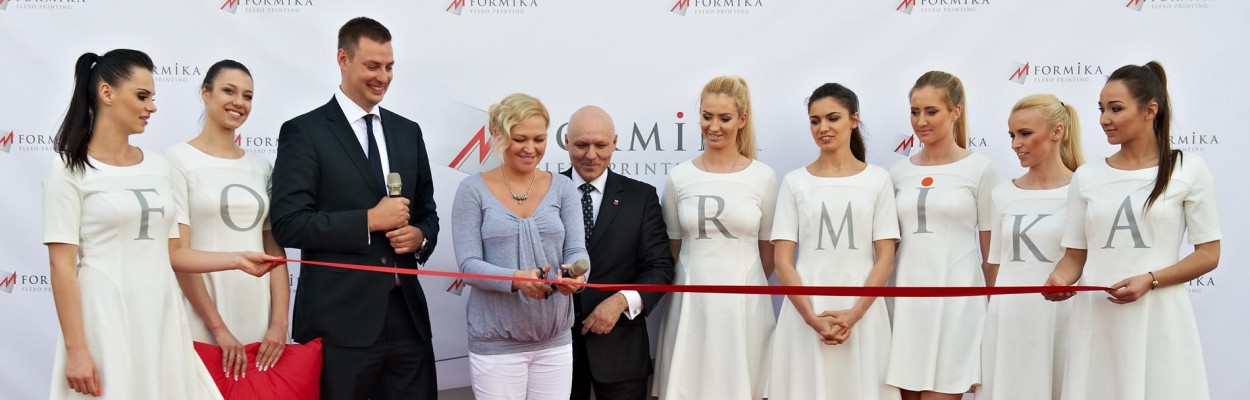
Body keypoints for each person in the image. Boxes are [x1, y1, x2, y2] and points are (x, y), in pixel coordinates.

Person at [44, 49, 273, 400]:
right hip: (104, 314)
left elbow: (174, 254)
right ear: (106, 93)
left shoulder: (156, 165)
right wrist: (77, 350)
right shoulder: (67, 171)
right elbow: (61, 266)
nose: (151, 107)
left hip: (163, 314)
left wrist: (237, 259)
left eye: (152, 98)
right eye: (142, 96)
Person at [269, 17, 440, 399]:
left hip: (408, 322)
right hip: (338, 327)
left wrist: (419, 237)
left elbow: (428, 214)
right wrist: (369, 221)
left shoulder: (408, 131)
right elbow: (289, 224)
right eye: (373, 66)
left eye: (389, 66)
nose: (383, 77)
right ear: (343, 59)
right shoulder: (305, 132)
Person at [1044, 61, 1221, 399]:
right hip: (1097, 321)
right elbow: (1074, 257)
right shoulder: (1087, 176)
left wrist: (1150, 279)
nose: (1104, 119)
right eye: (1101, 109)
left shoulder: (1189, 169)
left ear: (1150, 110)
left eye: (1116, 108)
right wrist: (1059, 280)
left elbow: (1209, 254)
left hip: (1159, 318)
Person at [451, 93, 589, 399]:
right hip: (496, 342)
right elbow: (468, 265)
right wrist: (517, 279)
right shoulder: (472, 190)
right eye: (520, 139)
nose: (531, 148)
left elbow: (577, 251)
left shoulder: (564, 187)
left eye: (539, 139)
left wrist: (577, 277)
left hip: (555, 340)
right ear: (498, 135)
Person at [768, 83, 901, 400]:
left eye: (832, 118)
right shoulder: (795, 182)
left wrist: (855, 314)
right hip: (805, 312)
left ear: (854, 119)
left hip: (863, 313)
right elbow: (782, 261)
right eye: (815, 121)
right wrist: (811, 318)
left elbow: (885, 257)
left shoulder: (878, 179)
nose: (823, 128)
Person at [652, 76, 778, 400]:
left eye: (724, 118)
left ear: (742, 119)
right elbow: (672, 249)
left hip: (745, 305)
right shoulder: (679, 177)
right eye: (707, 116)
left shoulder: (763, 177)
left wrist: (742, 282)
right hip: (690, 305)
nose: (714, 126)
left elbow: (769, 253)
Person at [167, 60, 290, 381]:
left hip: (259, 316)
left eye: (247, 96)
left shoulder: (261, 167)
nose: (239, 102)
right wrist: (218, 328)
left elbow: (274, 252)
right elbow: (179, 256)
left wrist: (279, 324)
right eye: (229, 91)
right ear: (205, 92)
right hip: (203, 316)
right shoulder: (177, 160)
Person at [886, 70, 997, 400]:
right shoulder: (898, 171)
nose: (921, 121)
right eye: (914, 111)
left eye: (931, 111)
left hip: (958, 305)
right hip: (906, 304)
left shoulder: (980, 169)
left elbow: (991, 254)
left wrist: (995, 314)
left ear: (955, 112)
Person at [560, 105, 675, 400]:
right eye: (581, 145)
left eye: (600, 145)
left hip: (621, 351)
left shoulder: (641, 197)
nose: (591, 155)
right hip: (554, 353)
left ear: (615, 142)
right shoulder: (545, 193)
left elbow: (660, 267)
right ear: (566, 142)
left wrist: (622, 301)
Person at [978, 94, 1083, 400]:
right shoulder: (1002, 194)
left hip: (1062, 320)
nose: (1016, 144)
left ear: (1057, 131)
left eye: (1025, 133)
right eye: (1012, 135)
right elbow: (995, 266)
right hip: (1009, 322)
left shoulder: (1083, 190)